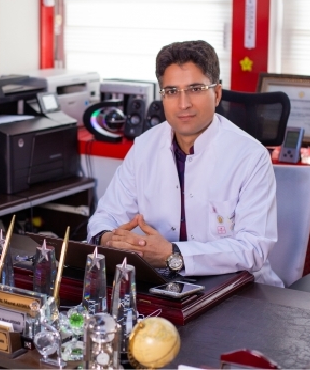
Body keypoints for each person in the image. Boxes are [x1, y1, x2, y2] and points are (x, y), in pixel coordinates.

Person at [86, 40, 283, 287]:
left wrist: (172, 255)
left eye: (195, 89)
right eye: (171, 91)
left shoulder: (251, 156)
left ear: (217, 94)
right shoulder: (144, 147)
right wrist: (109, 239)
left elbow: (253, 249)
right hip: (163, 287)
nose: (183, 104)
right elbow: (104, 217)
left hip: (241, 291)